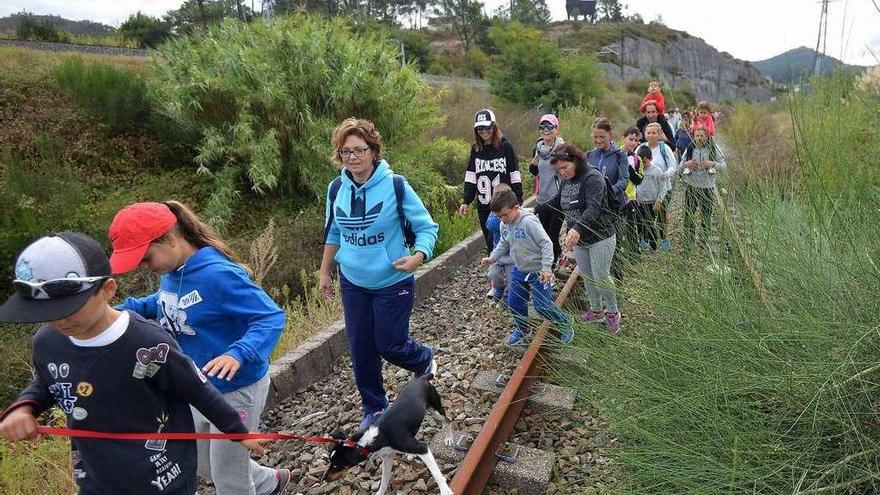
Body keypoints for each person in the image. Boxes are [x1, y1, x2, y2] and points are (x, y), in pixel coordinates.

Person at [0, 232, 271, 495]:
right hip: (96, 477)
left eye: (68, 309)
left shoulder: (148, 342)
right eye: (45, 314)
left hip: (163, 476)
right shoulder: (49, 343)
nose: (58, 321)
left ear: (107, 289)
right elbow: (48, 381)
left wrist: (238, 432)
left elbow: (197, 389)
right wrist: (25, 407)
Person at [110, 202, 290, 495]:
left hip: (237, 388)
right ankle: (271, 482)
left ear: (169, 239)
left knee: (229, 477)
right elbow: (163, 302)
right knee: (202, 463)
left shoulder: (217, 274)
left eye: (145, 259)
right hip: (199, 386)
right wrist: (116, 313)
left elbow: (270, 317)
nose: (145, 267)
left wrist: (238, 352)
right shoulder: (174, 272)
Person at [318, 117, 439, 431]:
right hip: (354, 282)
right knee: (361, 348)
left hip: (392, 281)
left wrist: (418, 257)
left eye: (360, 149)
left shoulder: (396, 185)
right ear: (339, 155)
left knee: (389, 344)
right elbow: (333, 234)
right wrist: (324, 272)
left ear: (373, 151)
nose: (353, 157)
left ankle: (423, 358)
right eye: (346, 151)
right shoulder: (336, 189)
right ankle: (374, 407)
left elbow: (427, 227)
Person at [481, 187, 572, 346]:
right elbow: (504, 242)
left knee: (542, 305)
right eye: (499, 216)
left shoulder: (529, 221)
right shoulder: (505, 224)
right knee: (514, 302)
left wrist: (546, 267)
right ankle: (522, 328)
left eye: (505, 214)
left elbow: (546, 243)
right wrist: (492, 257)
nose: (502, 219)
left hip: (539, 271)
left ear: (516, 208)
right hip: (520, 269)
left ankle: (564, 321)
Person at [548, 143, 622, 334]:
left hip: (600, 236)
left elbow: (594, 207)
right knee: (588, 276)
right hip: (580, 238)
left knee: (601, 276)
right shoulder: (567, 179)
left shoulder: (592, 177)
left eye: (564, 167)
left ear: (575, 161)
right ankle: (596, 310)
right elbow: (557, 201)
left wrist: (577, 228)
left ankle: (613, 312)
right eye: (558, 170)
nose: (562, 172)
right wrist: (532, 210)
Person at [458, 108, 524, 253]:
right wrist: (466, 200)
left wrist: (518, 199)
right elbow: (471, 176)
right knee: (490, 241)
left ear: (494, 126)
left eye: (487, 127)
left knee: (507, 240)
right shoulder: (475, 150)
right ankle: (495, 271)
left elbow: (514, 173)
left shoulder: (505, 146)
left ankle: (511, 272)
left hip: (504, 204)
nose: (484, 132)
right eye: (480, 128)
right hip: (484, 205)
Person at [585, 118, 629, 280]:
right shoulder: (589, 156)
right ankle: (600, 281)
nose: (598, 141)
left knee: (615, 247)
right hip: (597, 209)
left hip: (616, 208)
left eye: (602, 137)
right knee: (597, 245)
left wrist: (607, 191)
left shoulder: (619, 156)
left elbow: (624, 180)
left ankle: (618, 281)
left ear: (610, 136)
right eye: (595, 137)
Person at [679, 124, 726, 249]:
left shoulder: (714, 148)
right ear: (694, 137)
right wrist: (686, 164)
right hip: (691, 186)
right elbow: (680, 165)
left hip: (707, 187)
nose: (699, 138)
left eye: (702, 136)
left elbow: (724, 166)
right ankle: (688, 241)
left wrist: (713, 163)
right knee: (689, 214)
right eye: (697, 136)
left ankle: (704, 241)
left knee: (706, 215)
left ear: (707, 137)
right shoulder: (690, 148)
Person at [528, 114, 565, 265]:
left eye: (550, 126)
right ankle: (558, 258)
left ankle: (552, 265)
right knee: (543, 235)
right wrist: (533, 166)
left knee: (552, 235)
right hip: (542, 199)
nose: (546, 130)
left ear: (556, 129)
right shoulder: (538, 148)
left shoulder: (562, 148)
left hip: (557, 199)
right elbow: (537, 171)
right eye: (542, 127)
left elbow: (567, 172)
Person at [636, 123, 677, 252]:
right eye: (648, 132)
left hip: (662, 187)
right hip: (645, 189)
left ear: (659, 134)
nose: (651, 135)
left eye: (654, 133)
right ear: (644, 134)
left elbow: (673, 166)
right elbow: (635, 164)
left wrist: (666, 174)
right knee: (644, 218)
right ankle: (645, 240)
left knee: (661, 217)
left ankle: (664, 239)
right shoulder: (640, 148)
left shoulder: (664, 148)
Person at [631, 146, 668, 252]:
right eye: (641, 161)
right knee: (639, 224)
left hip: (652, 202)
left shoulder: (656, 171)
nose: (643, 164)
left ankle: (653, 246)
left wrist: (658, 201)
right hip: (639, 202)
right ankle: (643, 241)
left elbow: (662, 187)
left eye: (645, 161)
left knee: (650, 224)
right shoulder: (636, 170)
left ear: (650, 159)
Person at [484, 183, 514, 303]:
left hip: (512, 255)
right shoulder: (494, 214)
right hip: (497, 253)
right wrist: (501, 217)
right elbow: (490, 225)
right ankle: (499, 288)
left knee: (512, 279)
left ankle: (507, 297)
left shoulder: (513, 213)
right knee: (493, 274)